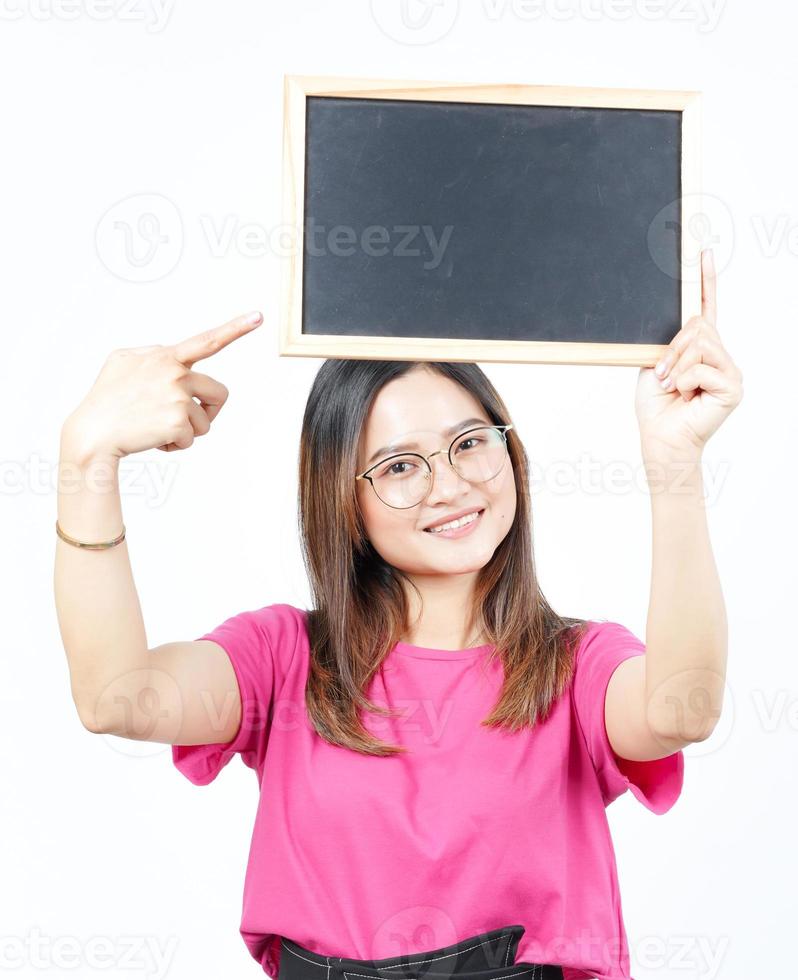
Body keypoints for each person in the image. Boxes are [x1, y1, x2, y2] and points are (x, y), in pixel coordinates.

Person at [54, 249, 743, 980]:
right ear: (343, 502)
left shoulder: (577, 666)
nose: (450, 485)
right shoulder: (284, 658)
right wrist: (86, 460)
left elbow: (682, 710)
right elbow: (116, 698)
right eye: (400, 465)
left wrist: (675, 462)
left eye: (470, 443)